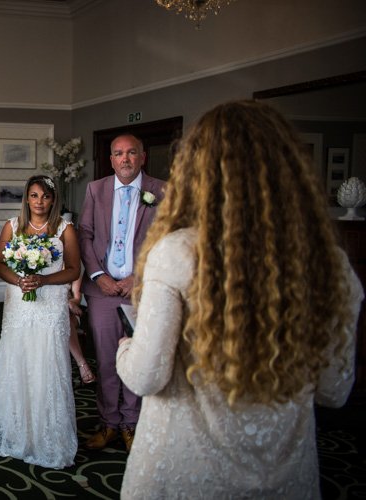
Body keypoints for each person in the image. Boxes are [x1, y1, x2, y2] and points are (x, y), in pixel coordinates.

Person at [115, 100, 362, 498]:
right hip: (284, 478)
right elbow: (335, 389)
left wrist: (126, 348)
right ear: (289, 169)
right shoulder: (329, 264)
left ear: (197, 172)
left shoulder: (179, 253)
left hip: (183, 471)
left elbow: (146, 376)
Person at [0, 175, 81, 468]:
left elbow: (73, 269)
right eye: (34, 196)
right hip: (19, 304)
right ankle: (14, 423)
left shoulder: (65, 228)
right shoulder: (12, 226)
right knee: (18, 358)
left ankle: (47, 430)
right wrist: (20, 281)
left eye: (45, 197)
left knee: (48, 361)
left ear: (53, 199)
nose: (39, 202)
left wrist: (43, 280)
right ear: (26, 198)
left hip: (50, 307)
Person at [79, 133, 165, 452]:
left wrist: (138, 277)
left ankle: (132, 423)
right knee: (105, 360)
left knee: (138, 358)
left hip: (142, 292)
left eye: (131, 153)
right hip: (102, 291)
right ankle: (109, 423)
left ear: (142, 157)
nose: (125, 159)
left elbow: (166, 239)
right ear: (111, 159)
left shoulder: (162, 191)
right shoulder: (96, 189)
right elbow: (85, 235)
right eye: (118, 153)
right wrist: (99, 275)